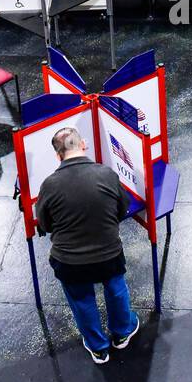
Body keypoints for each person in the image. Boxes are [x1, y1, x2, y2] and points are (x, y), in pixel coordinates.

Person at [34, 127, 140, 364]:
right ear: (83, 145)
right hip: (108, 255)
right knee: (115, 288)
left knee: (82, 300)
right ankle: (122, 332)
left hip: (70, 262)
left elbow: (44, 223)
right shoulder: (106, 174)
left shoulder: (49, 185)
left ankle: (98, 347)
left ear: (58, 155)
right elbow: (122, 208)